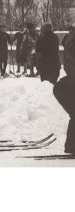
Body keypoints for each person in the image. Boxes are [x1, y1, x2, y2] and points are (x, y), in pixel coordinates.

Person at [53, 25, 75, 154]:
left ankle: (71, 146)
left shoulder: (70, 36)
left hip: (67, 82)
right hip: (67, 85)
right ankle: (71, 147)